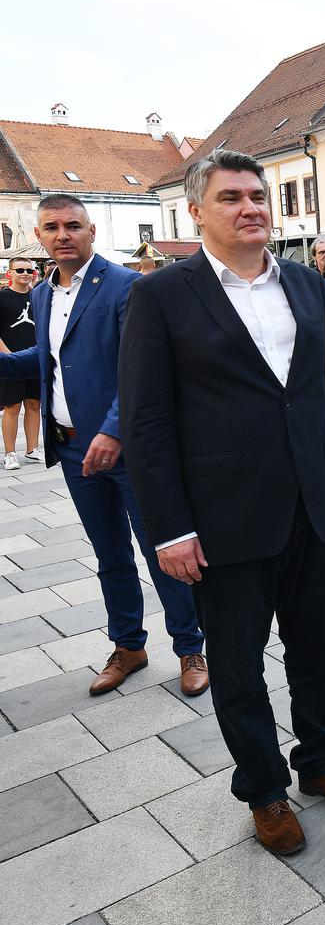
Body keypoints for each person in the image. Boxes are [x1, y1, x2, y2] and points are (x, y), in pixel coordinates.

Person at [120, 151, 325, 857]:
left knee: (318, 647)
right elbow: (146, 421)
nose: (250, 206)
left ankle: (320, 760)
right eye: (231, 196)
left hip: (310, 505)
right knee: (237, 664)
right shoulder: (162, 296)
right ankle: (263, 789)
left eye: (257, 194)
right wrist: (170, 527)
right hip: (223, 515)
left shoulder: (303, 282)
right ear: (198, 211)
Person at [0, 194, 206, 701]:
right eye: (51, 227)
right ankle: (129, 646)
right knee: (109, 553)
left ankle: (190, 647)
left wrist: (114, 432)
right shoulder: (45, 293)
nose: (62, 234)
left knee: (165, 551)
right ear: (40, 236)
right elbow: (49, 357)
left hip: (130, 451)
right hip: (73, 450)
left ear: (91, 231)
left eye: (73, 225)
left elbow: (142, 369)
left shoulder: (126, 286)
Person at [0, 259, 42, 467]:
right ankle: (9, 453)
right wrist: (7, 356)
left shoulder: (38, 296)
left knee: (34, 404)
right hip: (10, 360)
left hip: (35, 359)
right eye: (20, 270)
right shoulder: (2, 297)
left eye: (29, 270)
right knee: (12, 406)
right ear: (10, 273)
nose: (26, 273)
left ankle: (32, 449)